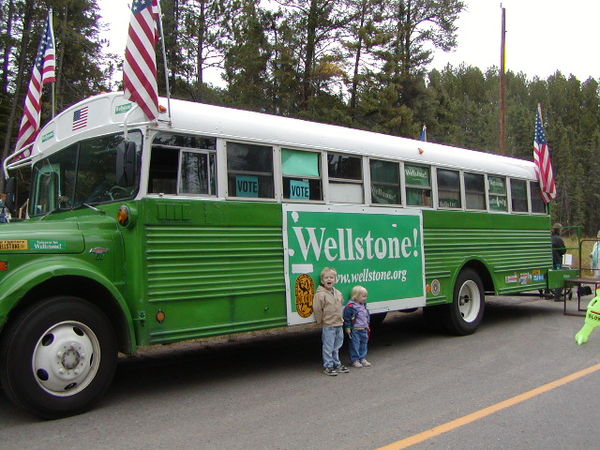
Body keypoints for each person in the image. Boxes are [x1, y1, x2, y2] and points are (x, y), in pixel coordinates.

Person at [312, 267, 349, 376]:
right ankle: (328, 366)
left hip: (338, 324)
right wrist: (319, 321)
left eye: (331, 277)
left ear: (335, 280)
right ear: (322, 281)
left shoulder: (338, 293)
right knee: (328, 347)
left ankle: (337, 364)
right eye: (326, 278)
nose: (329, 279)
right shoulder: (320, 295)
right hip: (328, 325)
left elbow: (340, 304)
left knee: (337, 345)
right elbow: (317, 309)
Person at [344, 285, 372, 368]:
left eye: (366, 296)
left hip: (364, 329)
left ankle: (362, 358)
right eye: (363, 296)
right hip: (355, 329)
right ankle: (355, 360)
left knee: (364, 344)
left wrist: (367, 325)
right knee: (354, 345)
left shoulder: (363, 305)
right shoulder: (351, 307)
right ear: (356, 297)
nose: (365, 298)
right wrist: (348, 327)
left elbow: (366, 316)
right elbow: (347, 318)